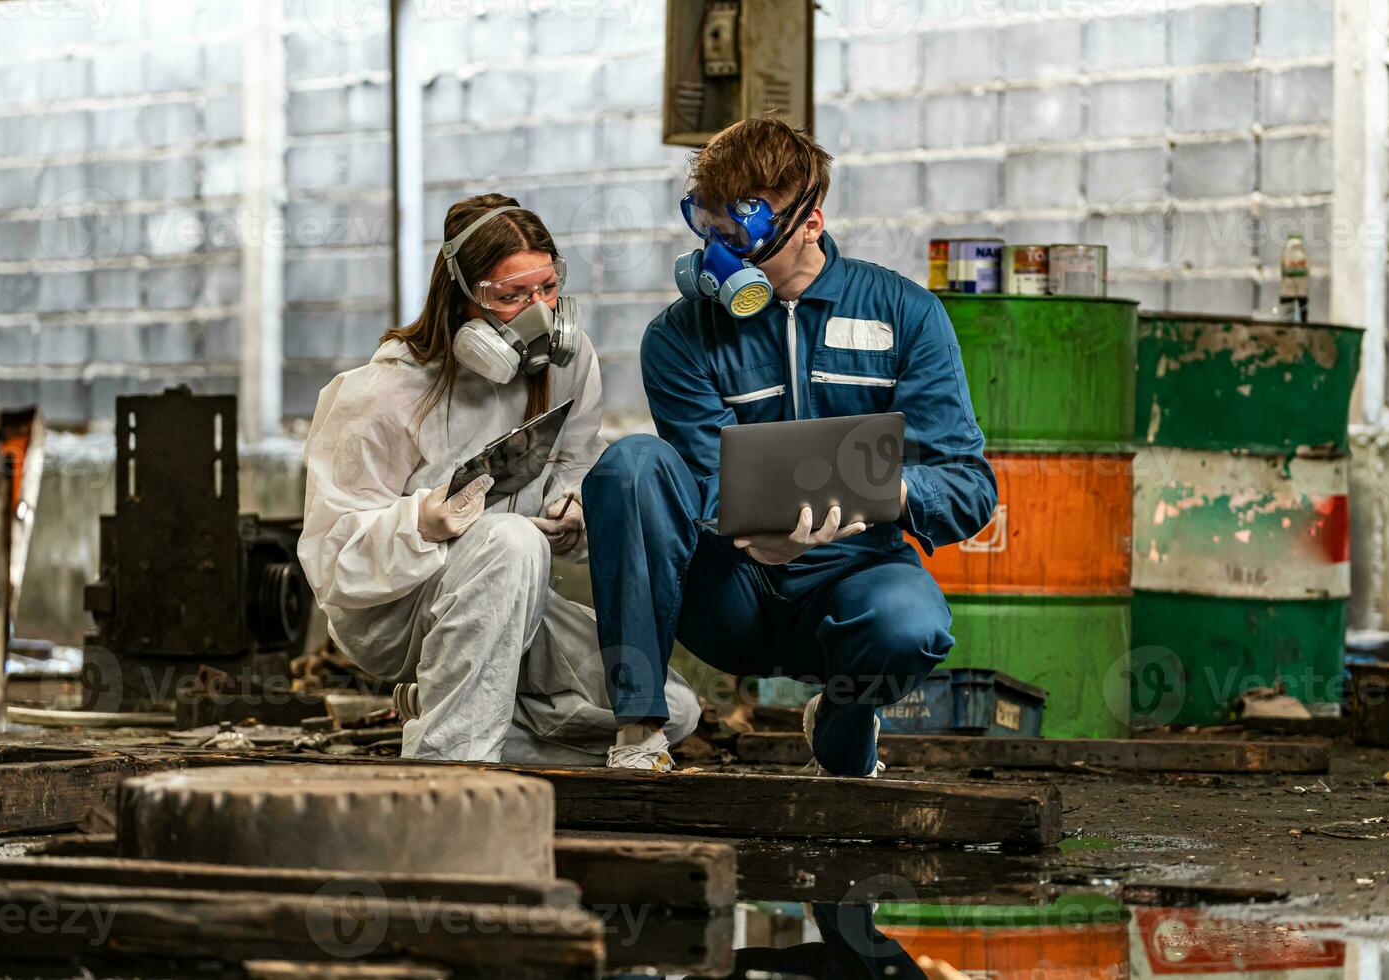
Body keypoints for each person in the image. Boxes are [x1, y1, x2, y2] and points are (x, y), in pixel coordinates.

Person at [583, 119, 998, 776]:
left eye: (742, 236)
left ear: (811, 223)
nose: (721, 259)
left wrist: (892, 492)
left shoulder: (905, 314)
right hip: (728, 592)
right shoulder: (680, 336)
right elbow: (700, 470)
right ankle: (639, 730)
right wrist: (749, 530)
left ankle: (843, 715)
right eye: (709, 232)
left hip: (853, 579)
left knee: (909, 624)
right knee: (631, 465)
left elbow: (970, 486)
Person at [297, 193, 700, 764]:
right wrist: (420, 522)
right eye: (510, 297)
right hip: (397, 611)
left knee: (673, 710)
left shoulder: (569, 365)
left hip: (518, 594)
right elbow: (331, 563)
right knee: (510, 540)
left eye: (547, 288)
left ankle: (453, 717)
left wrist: (573, 512)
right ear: (461, 300)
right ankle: (448, 771)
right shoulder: (381, 394)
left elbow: (573, 463)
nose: (539, 313)